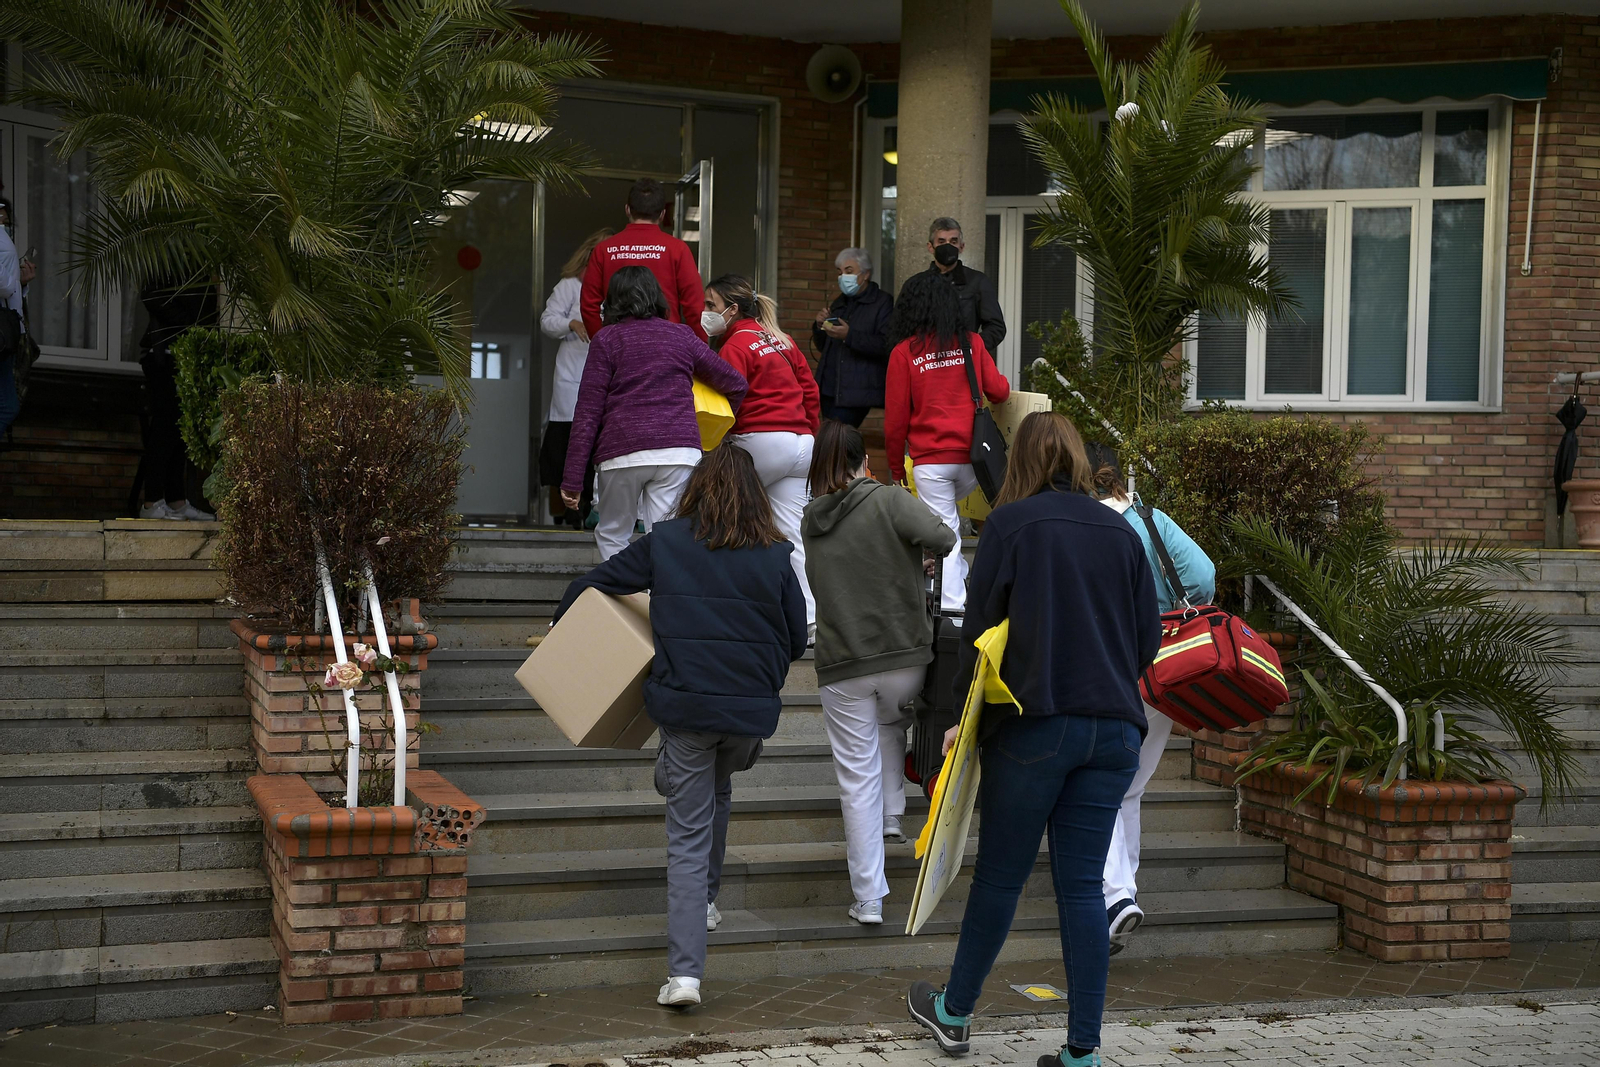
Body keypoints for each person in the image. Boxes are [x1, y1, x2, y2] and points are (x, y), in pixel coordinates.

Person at [906, 411, 1162, 1067]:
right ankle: (1082, 1053)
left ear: (1017, 461)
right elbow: (1147, 641)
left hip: (1036, 723)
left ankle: (954, 1012)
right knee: (1081, 887)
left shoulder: (1011, 526)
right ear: (1077, 460)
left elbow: (979, 629)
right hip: (1114, 732)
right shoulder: (1122, 532)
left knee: (1000, 877)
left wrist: (964, 712)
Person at [551, 444, 808, 1009]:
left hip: (687, 710)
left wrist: (561, 632)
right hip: (746, 718)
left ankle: (686, 975)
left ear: (697, 490)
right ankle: (708, 902)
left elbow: (594, 583)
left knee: (687, 830)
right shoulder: (775, 553)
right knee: (717, 790)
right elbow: (795, 638)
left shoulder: (665, 544)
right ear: (756, 498)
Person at [802, 419, 956, 924]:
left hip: (842, 664)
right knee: (893, 719)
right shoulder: (888, 499)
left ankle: (869, 898)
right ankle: (893, 813)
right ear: (863, 462)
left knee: (854, 777)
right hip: (904, 658)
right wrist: (920, 561)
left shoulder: (810, 518)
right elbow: (944, 535)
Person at [1086, 444, 1215, 956]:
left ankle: (1116, 899)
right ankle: (1124, 891)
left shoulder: (1083, 526)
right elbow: (1203, 578)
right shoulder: (1151, 518)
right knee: (1131, 787)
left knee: (1101, 784)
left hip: (1108, 665)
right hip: (1164, 667)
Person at [562, 267, 748, 561]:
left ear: (613, 301)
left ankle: (622, 601)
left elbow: (587, 411)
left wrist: (572, 480)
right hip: (678, 452)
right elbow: (736, 383)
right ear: (656, 298)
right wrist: (709, 431)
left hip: (621, 452)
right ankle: (658, 601)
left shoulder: (607, 340)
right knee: (666, 537)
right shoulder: (681, 335)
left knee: (613, 533)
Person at [884, 271, 1010, 612]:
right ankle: (961, 581)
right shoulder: (972, 342)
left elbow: (895, 421)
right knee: (956, 526)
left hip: (930, 465)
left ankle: (954, 611)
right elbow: (999, 391)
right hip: (974, 462)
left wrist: (896, 469)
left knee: (946, 538)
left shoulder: (903, 353)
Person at [704, 274, 820, 627]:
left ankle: (721, 607)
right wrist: (807, 433)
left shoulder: (735, 346)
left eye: (711, 305)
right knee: (795, 538)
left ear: (732, 309)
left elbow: (728, 400)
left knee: (721, 519)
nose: (704, 312)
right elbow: (810, 391)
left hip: (761, 442)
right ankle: (811, 621)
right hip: (801, 444)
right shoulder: (781, 339)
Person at [539, 228, 613, 527]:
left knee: (601, 447)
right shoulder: (570, 285)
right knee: (570, 446)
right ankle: (573, 510)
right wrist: (570, 323)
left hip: (605, 379)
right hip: (573, 378)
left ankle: (596, 509)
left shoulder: (618, 287)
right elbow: (547, 321)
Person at [580, 178, 707, 342]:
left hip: (620, 346)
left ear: (627, 210)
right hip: (666, 345)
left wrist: (603, 344)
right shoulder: (677, 249)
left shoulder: (604, 250)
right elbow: (695, 308)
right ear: (663, 214)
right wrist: (699, 353)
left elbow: (588, 305)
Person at [138, 278, 220, 520]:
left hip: (188, 357)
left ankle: (176, 501)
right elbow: (150, 294)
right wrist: (190, 324)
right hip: (166, 357)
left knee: (178, 433)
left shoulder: (200, 270)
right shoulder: (172, 263)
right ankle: (151, 502)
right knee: (163, 430)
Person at [811, 248, 894, 427]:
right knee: (830, 438)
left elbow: (885, 344)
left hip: (857, 391)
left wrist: (849, 336)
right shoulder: (839, 302)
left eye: (849, 271)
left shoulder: (882, 303)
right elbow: (823, 346)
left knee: (839, 440)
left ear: (865, 274)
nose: (843, 277)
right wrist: (819, 327)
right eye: (840, 272)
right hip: (830, 386)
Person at [919, 217, 1005, 355]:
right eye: (941, 241)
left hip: (964, 363)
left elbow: (996, 327)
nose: (948, 246)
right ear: (930, 247)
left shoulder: (977, 281)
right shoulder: (917, 284)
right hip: (926, 365)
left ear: (961, 246)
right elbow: (902, 329)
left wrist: (969, 348)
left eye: (953, 241)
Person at [0, 193, 34, 440]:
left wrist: (20, 282)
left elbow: (8, 291)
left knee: (8, 406)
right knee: (7, 406)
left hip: (6, 335)